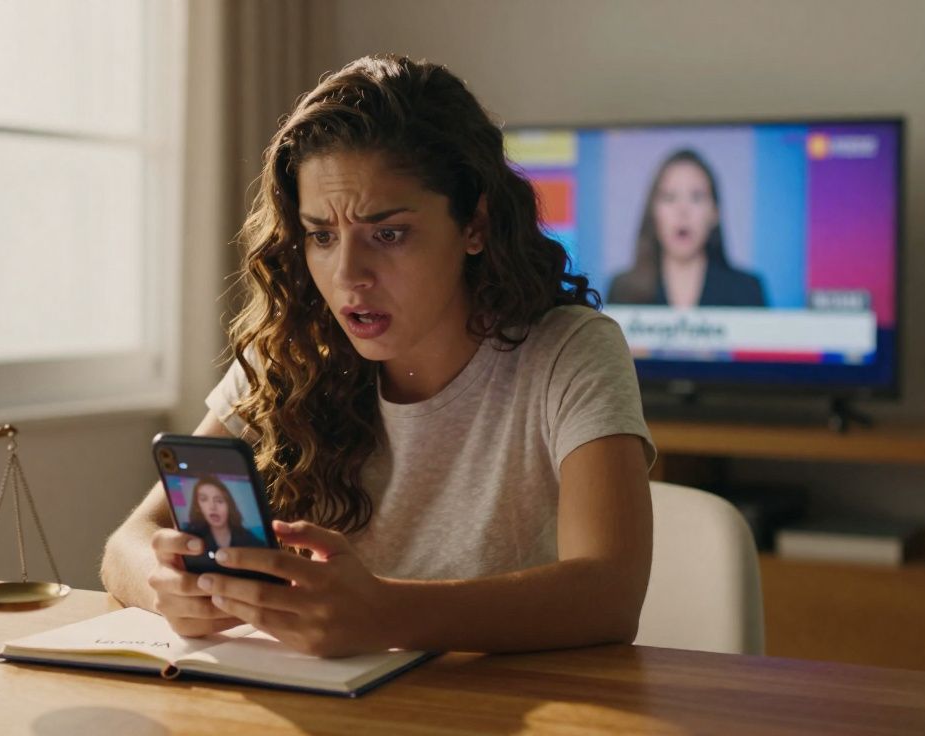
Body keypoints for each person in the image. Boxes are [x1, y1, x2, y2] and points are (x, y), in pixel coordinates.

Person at [102, 54, 655, 658]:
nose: (348, 277)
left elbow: (609, 594)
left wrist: (383, 612)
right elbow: (126, 544)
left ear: (474, 225)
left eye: (386, 234)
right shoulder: (290, 355)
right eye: (321, 235)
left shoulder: (568, 352)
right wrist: (171, 590)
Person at [607, 149, 767, 308]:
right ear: (653, 213)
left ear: (715, 213)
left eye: (696, 197)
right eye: (670, 197)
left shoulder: (746, 290)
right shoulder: (622, 290)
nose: (682, 210)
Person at [181, 475, 265, 554]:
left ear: (229, 505)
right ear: (198, 506)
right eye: (204, 499)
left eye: (219, 500)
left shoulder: (249, 540)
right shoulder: (189, 536)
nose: (212, 507)